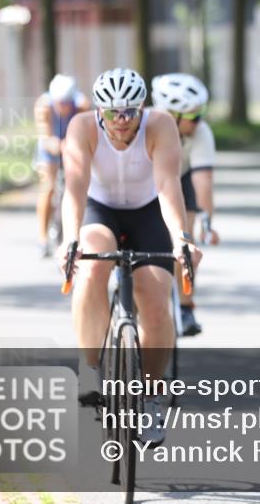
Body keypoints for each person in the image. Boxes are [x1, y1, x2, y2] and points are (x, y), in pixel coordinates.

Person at [56, 68, 202, 445]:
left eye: (130, 113)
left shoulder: (161, 126)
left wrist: (182, 239)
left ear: (142, 109)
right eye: (112, 113)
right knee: (90, 267)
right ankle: (91, 367)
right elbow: (74, 190)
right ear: (99, 111)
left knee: (154, 297)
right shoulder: (81, 128)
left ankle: (153, 397)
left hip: (148, 210)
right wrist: (70, 239)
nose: (121, 122)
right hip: (99, 208)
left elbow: (169, 186)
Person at [151, 73, 220, 336]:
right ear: (171, 114)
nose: (198, 120)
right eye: (192, 116)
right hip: (145, 180)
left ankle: (184, 305)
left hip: (182, 179)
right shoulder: (146, 126)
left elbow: (203, 181)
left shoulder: (201, 132)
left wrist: (207, 221)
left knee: (185, 239)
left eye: (200, 113)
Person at [34, 75, 90, 258]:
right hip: (50, 148)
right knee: (48, 187)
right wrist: (58, 145)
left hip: (72, 146)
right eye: (60, 103)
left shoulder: (82, 105)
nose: (64, 107)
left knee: (77, 187)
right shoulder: (44, 107)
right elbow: (45, 137)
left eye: (67, 103)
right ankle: (42, 238)